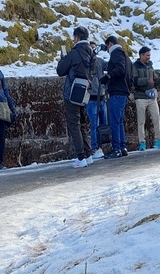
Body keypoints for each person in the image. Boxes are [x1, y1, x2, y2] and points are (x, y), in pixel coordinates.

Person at [56, 26, 94, 169]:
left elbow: (60, 70)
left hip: (72, 91)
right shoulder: (91, 52)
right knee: (83, 123)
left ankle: (80, 157)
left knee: (74, 124)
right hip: (86, 91)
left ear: (76, 37)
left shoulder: (74, 53)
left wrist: (63, 59)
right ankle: (88, 154)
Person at [102, 34, 133, 160]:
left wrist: (108, 76)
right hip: (124, 91)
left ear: (110, 44)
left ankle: (117, 149)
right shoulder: (126, 56)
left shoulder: (116, 53)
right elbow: (130, 75)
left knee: (114, 121)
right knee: (119, 121)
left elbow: (120, 69)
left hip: (117, 91)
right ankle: (122, 146)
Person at [131, 46, 160, 151]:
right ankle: (142, 142)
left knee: (156, 118)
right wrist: (147, 81)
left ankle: (158, 140)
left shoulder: (150, 65)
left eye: (149, 55)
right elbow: (135, 81)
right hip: (140, 97)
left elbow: (154, 81)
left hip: (151, 96)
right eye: (147, 55)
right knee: (141, 120)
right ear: (141, 55)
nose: (149, 57)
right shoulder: (135, 66)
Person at [88, 40, 108, 159]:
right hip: (92, 98)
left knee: (103, 124)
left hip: (102, 96)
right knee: (94, 124)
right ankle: (95, 147)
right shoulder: (85, 62)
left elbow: (110, 66)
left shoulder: (99, 61)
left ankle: (102, 146)